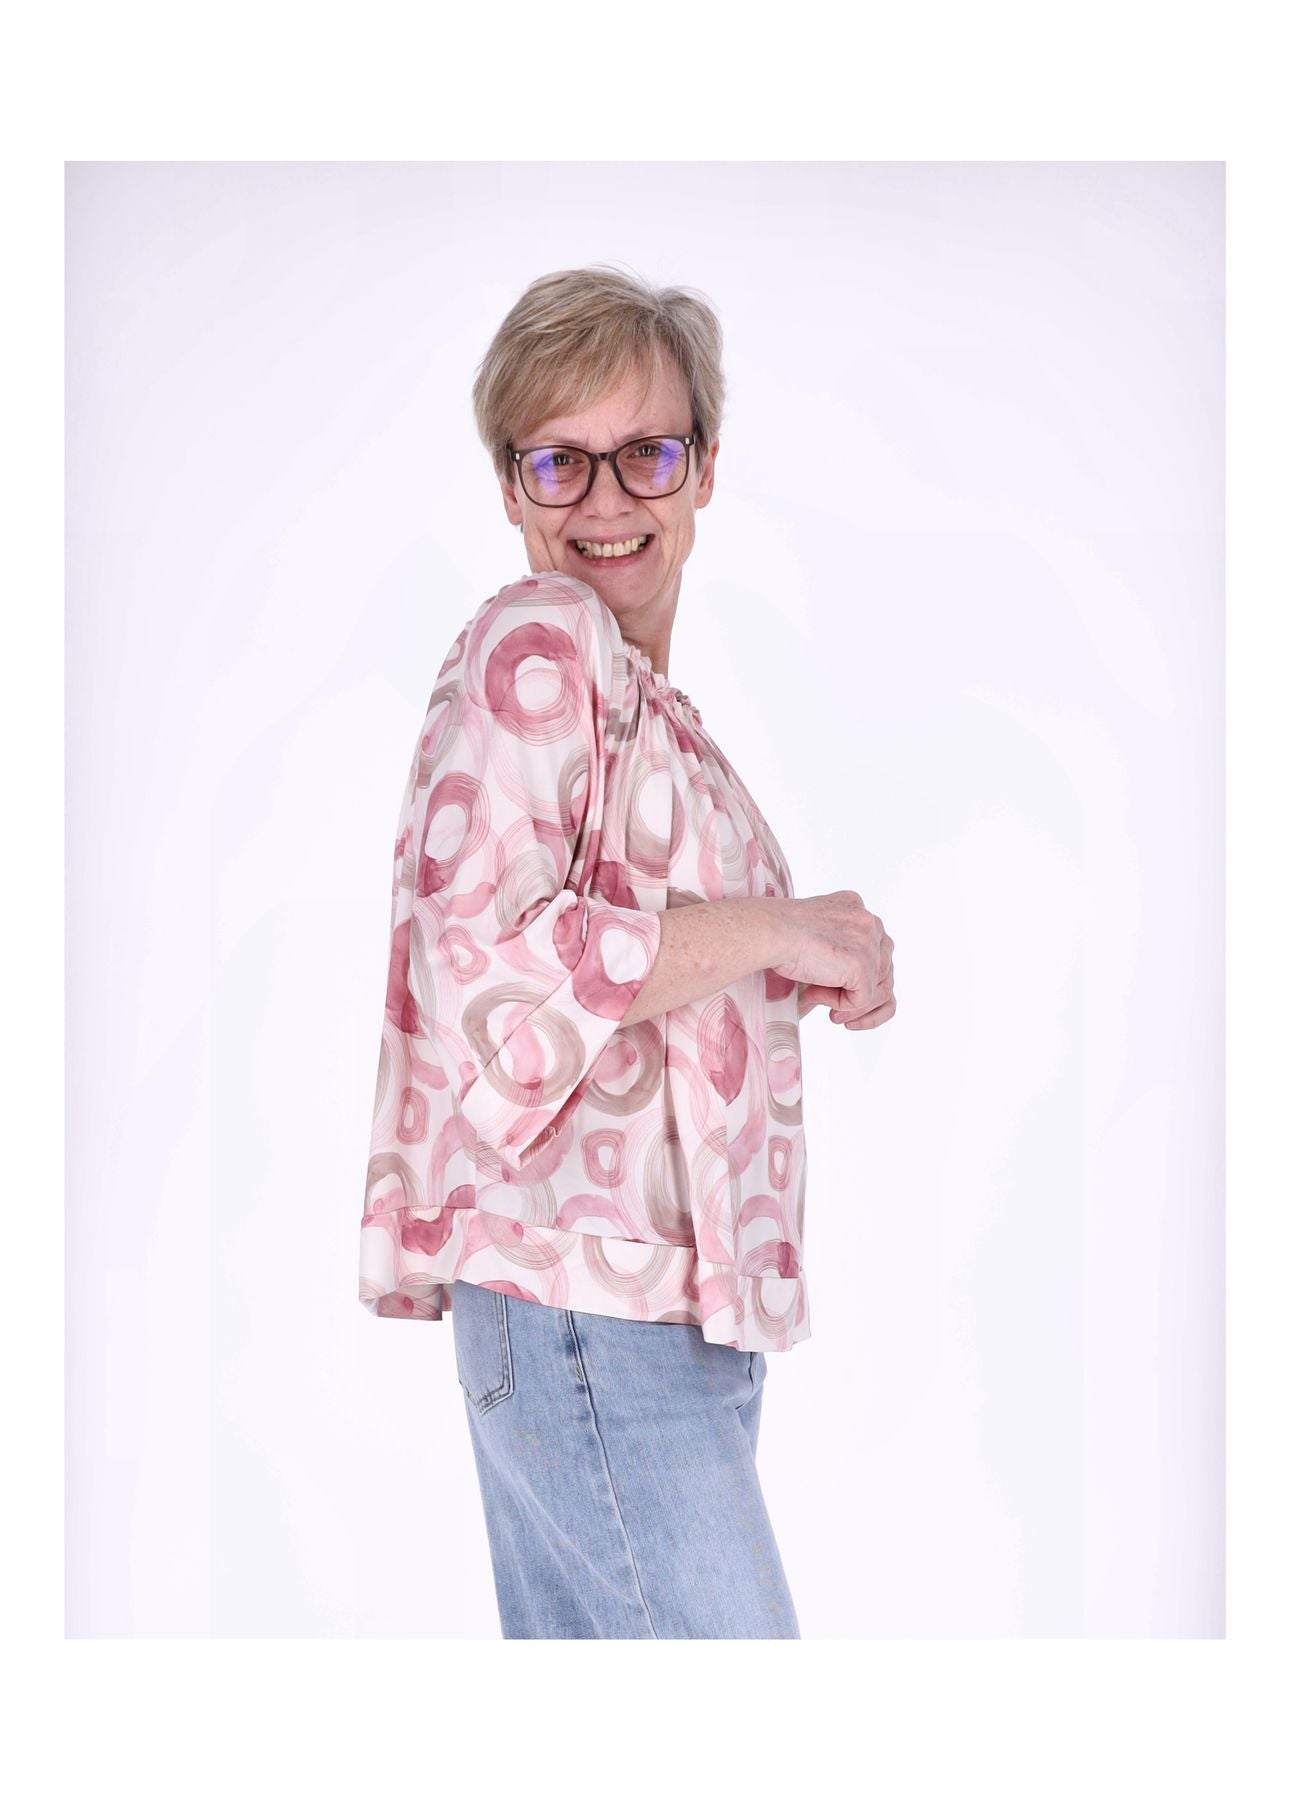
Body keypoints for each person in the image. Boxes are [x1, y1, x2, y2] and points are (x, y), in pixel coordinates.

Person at [358, 265, 896, 1638]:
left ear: (704, 468)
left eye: (645, 452)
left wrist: (798, 957)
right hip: (586, 1301)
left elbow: (633, 975)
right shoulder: (540, 639)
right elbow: (498, 973)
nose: (605, 500)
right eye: (560, 462)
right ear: (511, 487)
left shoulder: (644, 702)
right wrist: (784, 927)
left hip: (636, 1312)